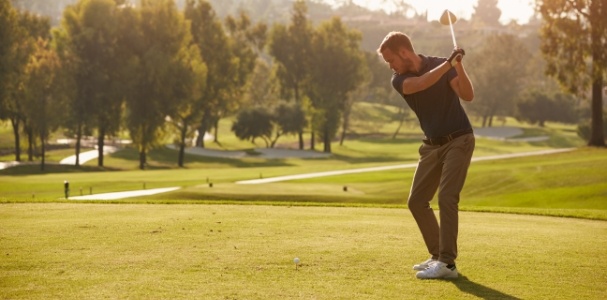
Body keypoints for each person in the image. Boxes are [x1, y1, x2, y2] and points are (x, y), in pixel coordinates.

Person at [377, 32, 475, 279]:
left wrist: (459, 67)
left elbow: (467, 95)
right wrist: (448, 64)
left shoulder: (441, 64)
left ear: (403, 52)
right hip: (431, 145)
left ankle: (448, 264)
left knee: (447, 197)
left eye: (391, 60)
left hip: (459, 139)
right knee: (416, 200)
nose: (391, 66)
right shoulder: (400, 79)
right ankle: (436, 256)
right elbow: (420, 84)